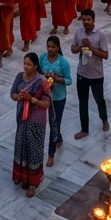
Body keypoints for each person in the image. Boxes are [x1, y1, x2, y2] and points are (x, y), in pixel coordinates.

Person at [8, 52, 50, 198]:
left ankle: (33, 183)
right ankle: (22, 177)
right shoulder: (20, 76)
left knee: (34, 150)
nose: (26, 67)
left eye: (29, 64)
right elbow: (12, 94)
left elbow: (47, 103)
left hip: (36, 120)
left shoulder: (41, 81)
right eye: (24, 63)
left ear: (35, 66)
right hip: (22, 119)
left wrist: (31, 99)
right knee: (21, 146)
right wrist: (19, 97)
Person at [71, 8, 109, 138]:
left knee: (99, 99)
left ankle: (104, 120)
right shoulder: (78, 33)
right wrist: (81, 46)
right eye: (84, 20)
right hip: (82, 73)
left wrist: (91, 47)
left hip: (96, 74)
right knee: (83, 101)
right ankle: (84, 129)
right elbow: (73, 49)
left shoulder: (100, 34)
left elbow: (105, 55)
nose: (86, 22)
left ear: (93, 21)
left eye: (88, 20)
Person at [41, 36, 73, 167]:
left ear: (58, 48)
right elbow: (38, 71)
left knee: (54, 124)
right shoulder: (42, 58)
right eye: (48, 46)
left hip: (58, 98)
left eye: (53, 47)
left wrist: (58, 79)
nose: (50, 49)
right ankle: (59, 137)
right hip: (44, 97)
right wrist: (45, 75)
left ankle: (51, 154)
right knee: (54, 123)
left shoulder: (63, 62)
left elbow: (69, 80)